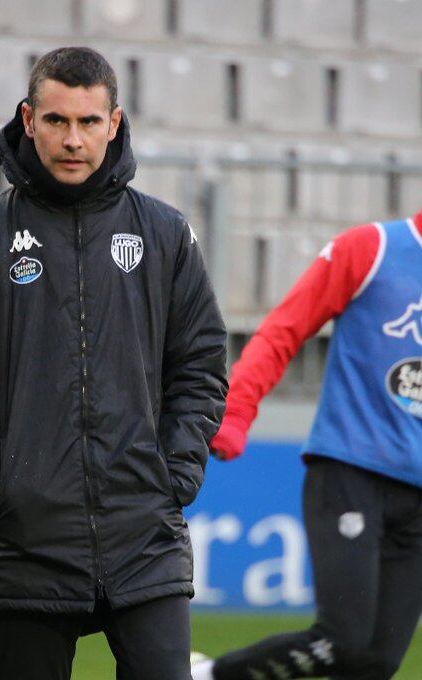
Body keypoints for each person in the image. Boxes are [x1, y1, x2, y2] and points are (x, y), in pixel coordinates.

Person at [0, 47, 227, 680]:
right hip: (25, 541)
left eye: (89, 122)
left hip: (145, 535)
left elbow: (201, 362)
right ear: (29, 120)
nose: (73, 140)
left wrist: (175, 474)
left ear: (114, 123)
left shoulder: (165, 233)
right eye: (58, 121)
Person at [191, 214, 422, 679]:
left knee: (375, 663)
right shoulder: (372, 248)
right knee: (343, 638)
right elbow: (285, 328)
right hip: (352, 472)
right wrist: (236, 411)